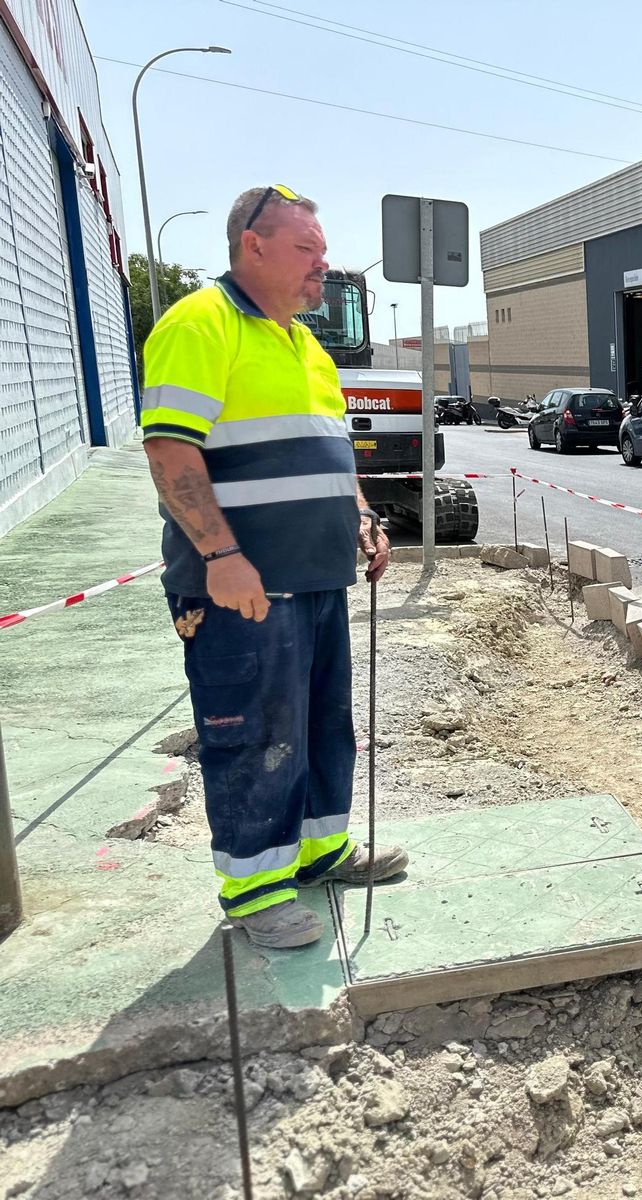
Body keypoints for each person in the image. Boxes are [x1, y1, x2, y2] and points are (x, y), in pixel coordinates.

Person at [140, 185, 408, 948]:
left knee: (322, 726)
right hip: (243, 585)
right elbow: (169, 448)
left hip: (318, 578)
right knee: (255, 733)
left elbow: (332, 453)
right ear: (253, 247)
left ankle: (321, 850)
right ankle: (255, 888)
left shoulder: (306, 343)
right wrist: (220, 554)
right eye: (306, 250)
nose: (323, 265)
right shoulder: (202, 323)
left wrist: (361, 518)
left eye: (323, 252)